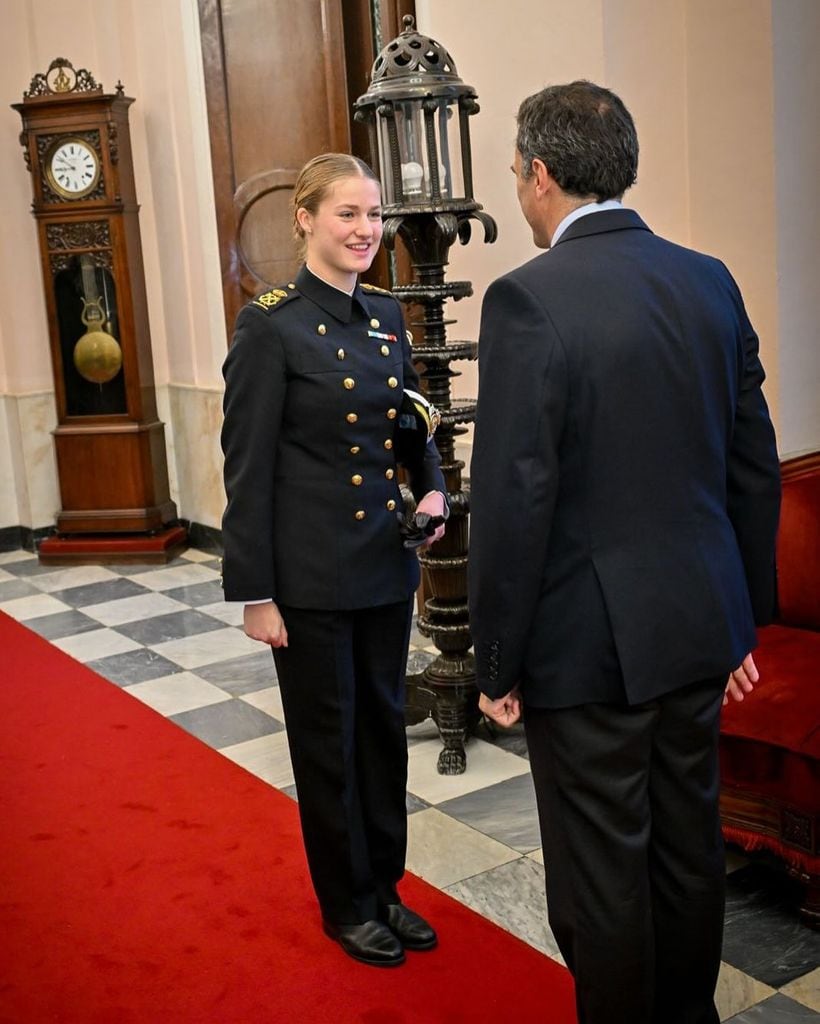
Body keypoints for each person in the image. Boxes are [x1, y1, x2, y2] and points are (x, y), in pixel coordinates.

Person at [468, 82, 780, 1024]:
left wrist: (496, 659)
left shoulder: (527, 298)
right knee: (687, 850)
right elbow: (751, 464)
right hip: (696, 631)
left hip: (587, 650)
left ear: (541, 174)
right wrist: (741, 624)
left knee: (602, 876)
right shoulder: (707, 277)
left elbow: (514, 501)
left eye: (518, 176)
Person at [221, 153, 447, 968]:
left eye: (374, 215)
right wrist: (255, 592)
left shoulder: (385, 314)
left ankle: (385, 884)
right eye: (347, 214)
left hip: (383, 566)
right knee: (330, 742)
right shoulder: (270, 324)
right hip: (310, 578)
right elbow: (246, 466)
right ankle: (345, 902)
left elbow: (412, 420)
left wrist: (431, 490)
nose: (365, 230)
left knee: (383, 733)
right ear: (306, 220)